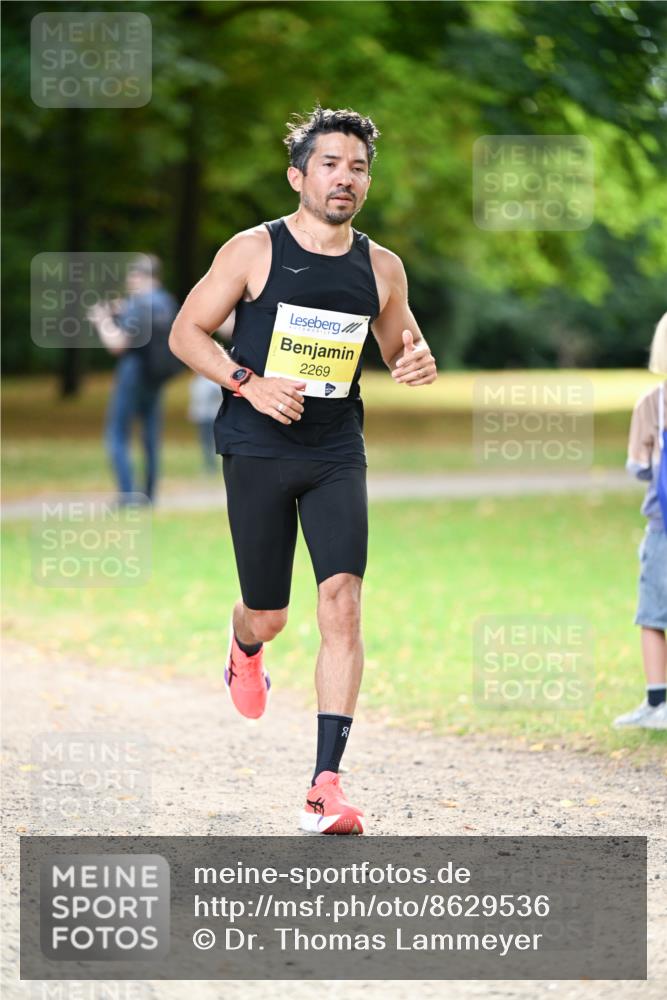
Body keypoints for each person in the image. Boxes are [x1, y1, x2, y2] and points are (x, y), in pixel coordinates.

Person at [169, 106, 437, 834]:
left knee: (342, 601)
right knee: (272, 611)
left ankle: (325, 785)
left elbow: (399, 344)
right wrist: (246, 381)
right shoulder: (253, 250)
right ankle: (245, 642)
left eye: (356, 166)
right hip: (256, 447)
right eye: (329, 164)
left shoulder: (381, 267)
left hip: (333, 450)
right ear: (298, 175)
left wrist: (416, 359)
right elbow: (185, 331)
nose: (344, 177)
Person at [88, 255, 179, 503]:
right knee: (150, 435)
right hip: (157, 375)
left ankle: (127, 495)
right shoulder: (166, 302)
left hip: (133, 370)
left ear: (139, 276)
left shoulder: (140, 303)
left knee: (116, 434)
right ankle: (149, 494)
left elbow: (117, 344)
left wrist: (103, 320)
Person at [613, 311, 667, 731]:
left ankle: (657, 703)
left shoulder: (653, 402)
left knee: (653, 615)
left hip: (662, 526)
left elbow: (639, 468)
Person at [188, 374, 223, 472]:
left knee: (211, 442)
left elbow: (218, 395)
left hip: (211, 416)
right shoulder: (196, 382)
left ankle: (213, 465)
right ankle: (208, 464)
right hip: (202, 417)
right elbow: (195, 401)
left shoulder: (211, 382)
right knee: (205, 442)